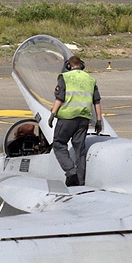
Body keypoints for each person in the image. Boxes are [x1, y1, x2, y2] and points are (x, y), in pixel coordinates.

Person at [48, 55, 102, 187]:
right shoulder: (90, 79)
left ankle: (71, 173)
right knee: (80, 149)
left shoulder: (65, 78)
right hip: (84, 118)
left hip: (67, 118)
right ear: (81, 65)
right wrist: (99, 120)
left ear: (68, 66)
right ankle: (81, 181)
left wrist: (52, 114)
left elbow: (59, 98)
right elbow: (97, 101)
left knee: (59, 144)